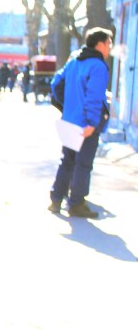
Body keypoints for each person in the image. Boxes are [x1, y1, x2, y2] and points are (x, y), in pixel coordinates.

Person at [49, 27, 112, 218]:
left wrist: (67, 107)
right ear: (100, 44)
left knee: (67, 160)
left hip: (70, 119)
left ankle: (56, 199)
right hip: (86, 123)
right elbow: (94, 97)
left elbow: (56, 84)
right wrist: (92, 123)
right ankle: (76, 203)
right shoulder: (98, 66)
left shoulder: (74, 61)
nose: (110, 47)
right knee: (83, 164)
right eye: (109, 43)